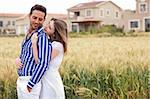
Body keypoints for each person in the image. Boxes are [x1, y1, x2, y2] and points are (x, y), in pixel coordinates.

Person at [16, 18, 68, 98]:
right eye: (48, 24)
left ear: (55, 33)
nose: (46, 27)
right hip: (43, 77)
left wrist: (34, 44)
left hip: (50, 79)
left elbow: (39, 61)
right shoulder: (49, 42)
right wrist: (18, 59)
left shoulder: (57, 45)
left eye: (50, 27)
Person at [16, 4, 52, 99]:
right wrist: (17, 59)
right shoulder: (28, 34)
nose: (36, 21)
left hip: (30, 82)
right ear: (29, 16)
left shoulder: (42, 37)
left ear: (44, 20)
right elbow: (24, 54)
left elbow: (44, 63)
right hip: (20, 80)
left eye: (40, 19)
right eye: (34, 17)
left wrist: (30, 84)